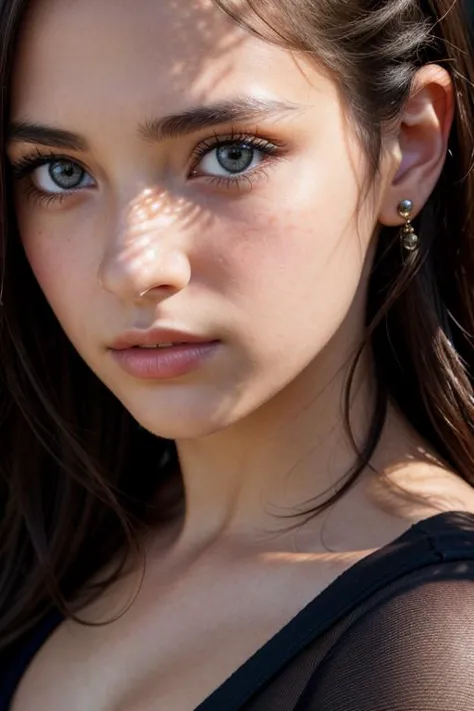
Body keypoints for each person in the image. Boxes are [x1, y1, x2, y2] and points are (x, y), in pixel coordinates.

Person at [1, 0, 474, 707]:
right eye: (60, 172)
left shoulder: (431, 652)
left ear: (407, 146)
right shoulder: (47, 536)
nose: (134, 267)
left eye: (230, 153)